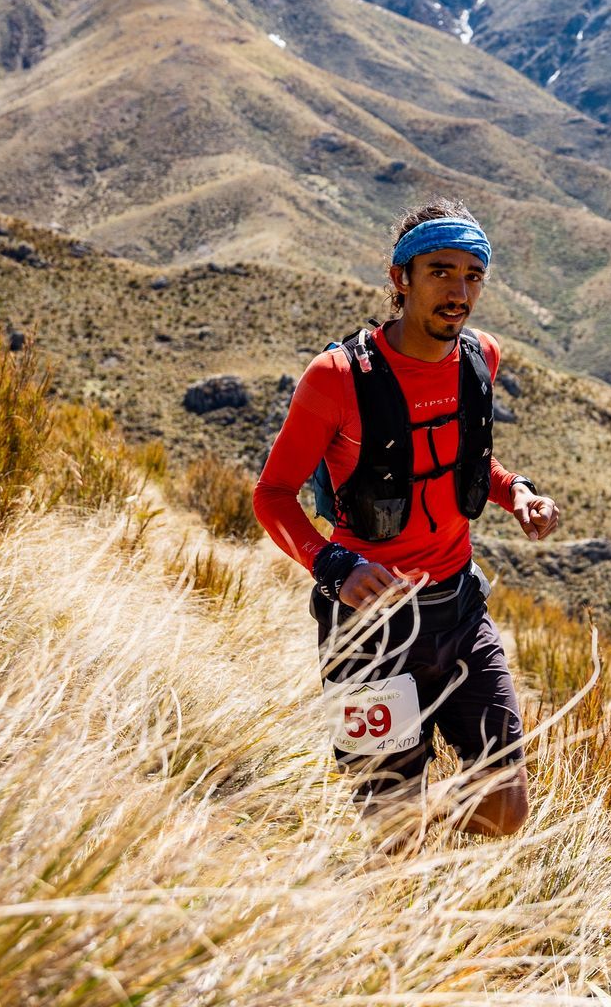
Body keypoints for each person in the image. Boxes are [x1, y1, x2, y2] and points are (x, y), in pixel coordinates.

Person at [253, 199, 560, 837]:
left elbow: (464, 458)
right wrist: (333, 564)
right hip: (368, 632)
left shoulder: (481, 358)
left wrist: (517, 494)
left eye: (473, 275)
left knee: (506, 809)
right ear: (401, 278)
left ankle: (423, 849)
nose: (460, 291)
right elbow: (273, 494)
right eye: (440, 271)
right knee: (391, 831)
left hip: (459, 611)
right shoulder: (336, 378)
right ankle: (397, 879)